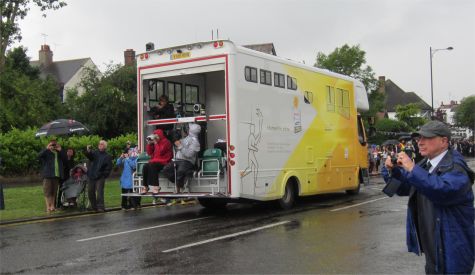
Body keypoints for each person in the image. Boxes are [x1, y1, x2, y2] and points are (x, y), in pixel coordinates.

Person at [381, 120, 474, 274]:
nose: (420, 142)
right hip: (434, 248)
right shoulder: (426, 165)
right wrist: (394, 170)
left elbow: (442, 191)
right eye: (419, 138)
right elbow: (406, 187)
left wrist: (412, 168)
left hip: (453, 251)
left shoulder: (456, 168)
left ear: (444, 141)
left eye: (426, 138)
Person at [163, 123, 201, 193]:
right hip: (177, 160)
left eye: (189, 128)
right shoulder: (186, 138)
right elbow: (177, 144)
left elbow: (189, 154)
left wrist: (180, 146)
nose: (187, 129)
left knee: (180, 171)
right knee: (166, 169)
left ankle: (178, 189)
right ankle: (180, 184)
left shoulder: (195, 142)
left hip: (187, 161)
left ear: (192, 130)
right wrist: (176, 140)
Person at [38, 139, 67, 213]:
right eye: (52, 144)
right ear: (49, 144)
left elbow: (65, 159)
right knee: (47, 191)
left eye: (55, 144)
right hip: (48, 175)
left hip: (56, 174)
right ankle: (48, 207)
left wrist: (60, 150)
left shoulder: (58, 152)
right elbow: (39, 156)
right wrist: (46, 148)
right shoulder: (46, 152)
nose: (53, 146)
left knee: (54, 191)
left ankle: (52, 206)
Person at [141, 129, 173, 195]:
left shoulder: (166, 142)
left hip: (165, 162)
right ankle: (145, 186)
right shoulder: (156, 143)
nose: (155, 137)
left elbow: (161, 151)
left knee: (152, 165)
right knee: (145, 166)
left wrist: (156, 143)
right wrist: (149, 144)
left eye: (157, 136)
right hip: (156, 161)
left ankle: (156, 187)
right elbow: (149, 153)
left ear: (160, 135)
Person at [85, 140, 113, 212]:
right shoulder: (95, 153)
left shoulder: (107, 156)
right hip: (92, 175)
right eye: (99, 144)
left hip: (100, 176)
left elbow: (108, 168)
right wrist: (88, 151)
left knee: (99, 191)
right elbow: (89, 156)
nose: (100, 145)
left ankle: (100, 206)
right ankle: (94, 206)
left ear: (105, 146)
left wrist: (103, 175)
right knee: (90, 191)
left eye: (102, 144)